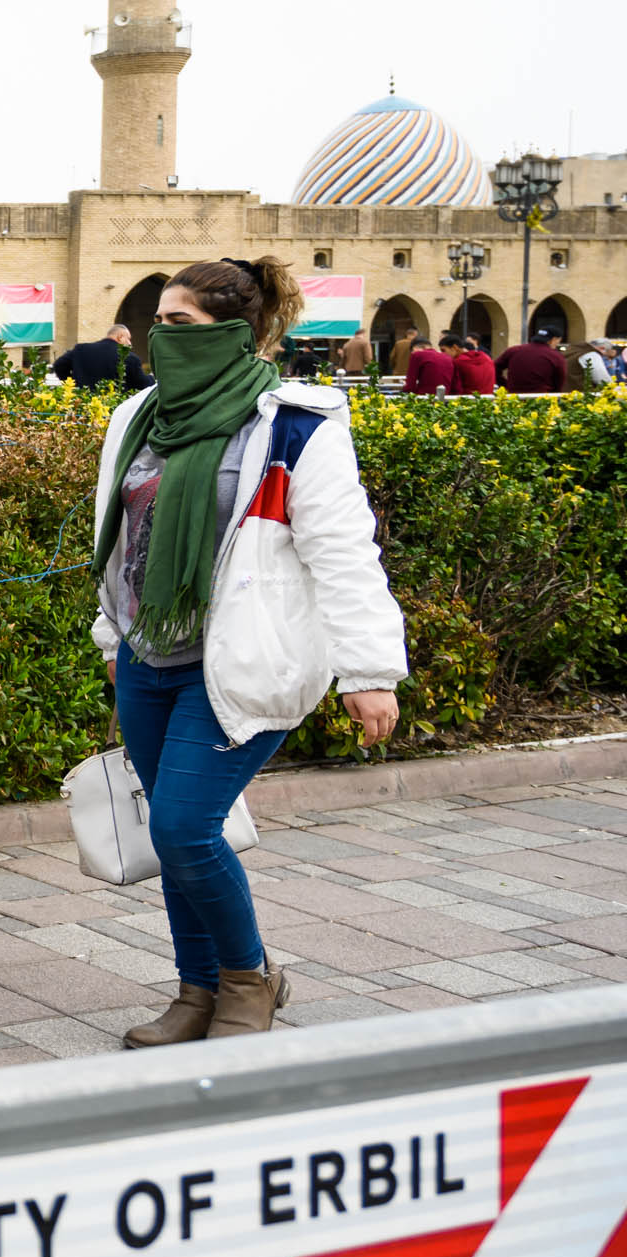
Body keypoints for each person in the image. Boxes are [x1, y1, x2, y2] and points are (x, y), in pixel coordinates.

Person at [90, 256, 406, 1046]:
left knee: (186, 828)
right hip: (148, 654)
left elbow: (344, 554)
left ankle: (250, 981)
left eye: (180, 324)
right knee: (172, 829)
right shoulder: (138, 417)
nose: (160, 337)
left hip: (242, 659)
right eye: (158, 321)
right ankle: (197, 990)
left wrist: (369, 673)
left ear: (238, 333)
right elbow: (121, 539)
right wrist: (112, 633)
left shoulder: (296, 428)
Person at [52, 324, 154, 391]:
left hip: (81, 405)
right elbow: (142, 384)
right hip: (113, 410)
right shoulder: (130, 358)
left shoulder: (81, 349)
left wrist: (72, 384)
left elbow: (58, 366)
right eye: (128, 339)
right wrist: (152, 378)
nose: (130, 343)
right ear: (120, 337)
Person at [497, 329, 568, 393]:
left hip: (514, 398)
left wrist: (505, 384)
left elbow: (495, 367)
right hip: (541, 400)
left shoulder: (513, 351)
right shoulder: (556, 356)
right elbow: (559, 381)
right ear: (553, 340)